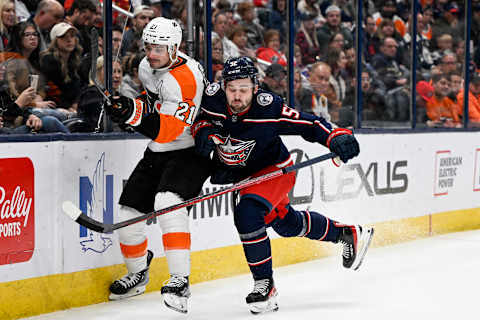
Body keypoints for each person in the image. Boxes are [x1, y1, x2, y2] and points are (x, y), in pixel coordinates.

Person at [192, 56, 374, 314]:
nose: (237, 96)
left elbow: (309, 124)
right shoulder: (212, 99)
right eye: (232, 89)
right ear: (223, 88)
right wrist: (204, 133)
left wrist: (335, 137)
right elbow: (201, 119)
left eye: (244, 89)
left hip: (274, 170)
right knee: (287, 224)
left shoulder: (269, 108)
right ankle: (345, 233)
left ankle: (264, 285)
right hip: (243, 177)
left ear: (255, 88)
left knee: (248, 214)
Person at [102, 17, 211, 314]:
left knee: (168, 203)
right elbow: (152, 104)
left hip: (191, 151)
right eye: (149, 46)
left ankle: (180, 280)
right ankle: (138, 272)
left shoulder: (186, 78)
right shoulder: (146, 66)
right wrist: (127, 106)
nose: (152, 53)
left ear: (175, 47)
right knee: (127, 216)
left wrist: (130, 117)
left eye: (159, 47)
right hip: (158, 151)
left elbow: (169, 129)